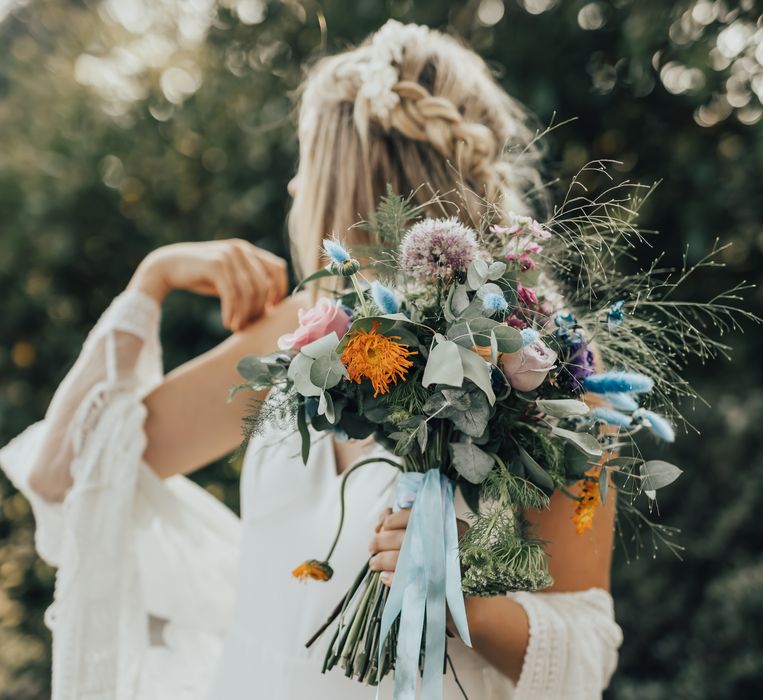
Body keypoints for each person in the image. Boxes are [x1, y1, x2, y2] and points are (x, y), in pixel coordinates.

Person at [0, 20, 622, 700]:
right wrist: (151, 281)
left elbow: (585, 658)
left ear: (346, 177)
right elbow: (69, 473)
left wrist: (455, 601)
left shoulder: (542, 374)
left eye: (305, 161)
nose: (293, 189)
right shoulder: (296, 335)